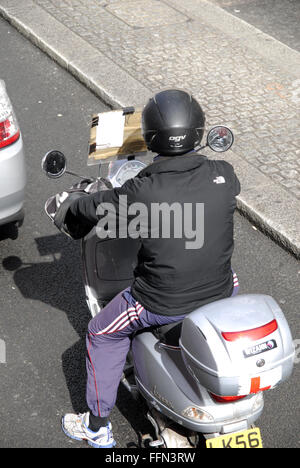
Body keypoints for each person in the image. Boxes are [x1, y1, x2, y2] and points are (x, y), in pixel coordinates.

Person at [61, 89, 241, 448]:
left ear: (151, 135)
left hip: (159, 301)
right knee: (229, 273)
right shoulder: (224, 174)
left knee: (100, 332)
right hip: (222, 289)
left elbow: (95, 207)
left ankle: (97, 427)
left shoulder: (142, 190)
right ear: (198, 131)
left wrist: (72, 208)